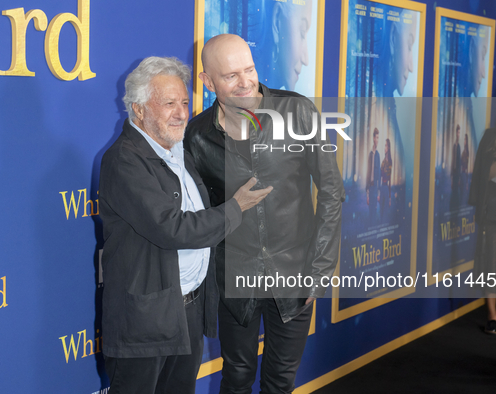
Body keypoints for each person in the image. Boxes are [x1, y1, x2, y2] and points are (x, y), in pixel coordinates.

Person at [99, 56, 272, 394]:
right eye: (168, 104)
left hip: (188, 311)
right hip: (145, 320)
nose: (181, 112)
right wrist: (237, 207)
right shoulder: (124, 160)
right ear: (138, 110)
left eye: (184, 102)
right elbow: (173, 229)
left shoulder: (178, 147)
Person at [184, 34, 344, 394]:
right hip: (233, 276)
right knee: (237, 376)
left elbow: (332, 191)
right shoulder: (196, 136)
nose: (246, 83)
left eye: (250, 70)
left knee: (279, 381)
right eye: (230, 77)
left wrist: (320, 267)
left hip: (295, 272)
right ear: (207, 81)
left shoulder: (298, 112)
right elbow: (199, 215)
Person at [468, 121, 496, 335]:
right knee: (491, 260)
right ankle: (492, 314)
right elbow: (484, 174)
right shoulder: (493, 137)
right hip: (493, 207)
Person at [366, 128, 381, 225]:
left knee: (374, 209)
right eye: (376, 138)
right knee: (370, 208)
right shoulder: (370, 155)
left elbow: (379, 175)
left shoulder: (378, 155)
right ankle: (370, 225)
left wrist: (378, 192)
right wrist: (367, 194)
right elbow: (368, 173)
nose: (378, 140)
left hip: (375, 187)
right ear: (373, 138)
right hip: (370, 187)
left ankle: (373, 226)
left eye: (379, 138)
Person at [380, 138, 392, 222]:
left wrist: (390, 197)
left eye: (386, 145)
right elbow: (380, 177)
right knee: (381, 211)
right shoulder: (383, 162)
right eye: (384, 146)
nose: (384, 147)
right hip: (382, 188)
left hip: (386, 188)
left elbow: (390, 180)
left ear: (388, 147)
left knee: (385, 212)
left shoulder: (390, 162)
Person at [451, 124, 462, 208]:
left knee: (456, 191)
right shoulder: (454, 146)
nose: (458, 134)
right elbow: (453, 161)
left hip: (457, 173)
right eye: (458, 132)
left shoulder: (458, 147)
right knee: (453, 191)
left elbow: (459, 161)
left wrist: (459, 177)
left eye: (459, 133)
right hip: (454, 172)